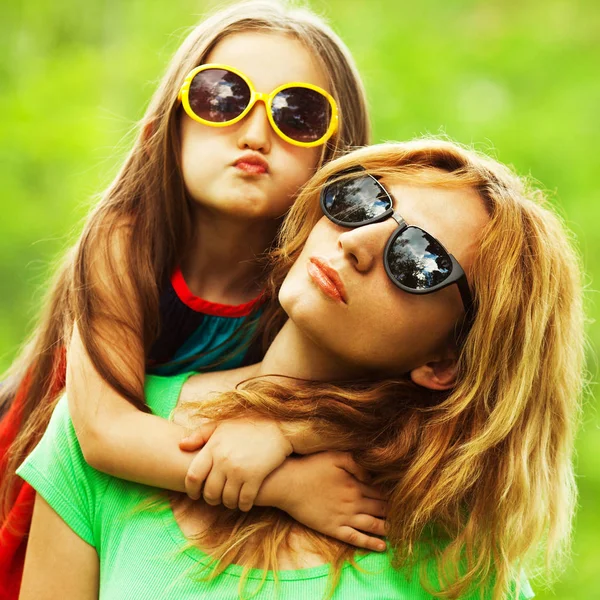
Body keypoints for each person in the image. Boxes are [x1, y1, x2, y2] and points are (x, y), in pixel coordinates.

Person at [18, 139, 584, 599]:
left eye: (418, 258)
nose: (356, 243)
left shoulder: (457, 557)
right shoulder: (103, 430)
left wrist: (289, 429)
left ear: (445, 361)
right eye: (364, 202)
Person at [0, 1, 373, 596]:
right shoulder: (126, 240)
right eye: (222, 98)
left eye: (296, 115)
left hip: (177, 497)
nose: (255, 133)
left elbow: (358, 397)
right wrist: (286, 485)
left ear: (336, 159)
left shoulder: (314, 284)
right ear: (165, 129)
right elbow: (101, 434)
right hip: (53, 478)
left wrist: (281, 436)